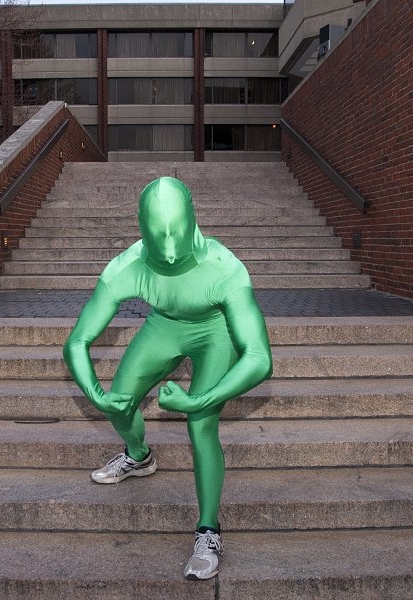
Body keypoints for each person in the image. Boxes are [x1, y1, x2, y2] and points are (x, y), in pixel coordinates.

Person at [63, 175, 273, 581]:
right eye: (160, 237)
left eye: (178, 233)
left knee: (201, 424)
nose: (173, 251)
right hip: (164, 325)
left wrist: (197, 402)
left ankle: (209, 530)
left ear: (194, 222)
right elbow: (77, 342)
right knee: (119, 402)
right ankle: (139, 456)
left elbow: (260, 358)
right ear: (142, 232)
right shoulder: (126, 266)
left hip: (216, 330)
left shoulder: (224, 267)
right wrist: (96, 394)